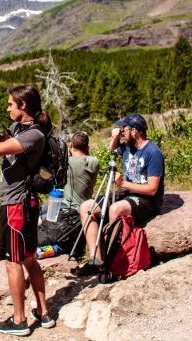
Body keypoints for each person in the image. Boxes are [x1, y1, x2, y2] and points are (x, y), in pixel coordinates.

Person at [0, 85, 55, 336]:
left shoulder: (34, 135)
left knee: (14, 261)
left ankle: (19, 321)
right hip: (21, 203)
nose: (8, 108)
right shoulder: (22, 129)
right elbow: (2, 142)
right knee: (29, 259)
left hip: (17, 204)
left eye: (11, 104)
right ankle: (43, 312)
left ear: (23, 105)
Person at [77, 113, 164, 274]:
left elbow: (152, 189)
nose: (121, 131)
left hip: (146, 199)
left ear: (135, 131)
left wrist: (123, 183)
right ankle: (96, 259)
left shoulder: (153, 152)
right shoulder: (127, 147)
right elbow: (111, 149)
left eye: (124, 129)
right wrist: (115, 137)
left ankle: (113, 262)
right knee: (87, 207)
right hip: (127, 193)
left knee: (115, 209)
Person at [64, 131, 99, 209]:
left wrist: (69, 152)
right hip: (85, 207)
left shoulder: (67, 162)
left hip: (67, 206)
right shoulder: (94, 161)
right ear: (87, 147)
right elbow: (85, 159)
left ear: (71, 145)